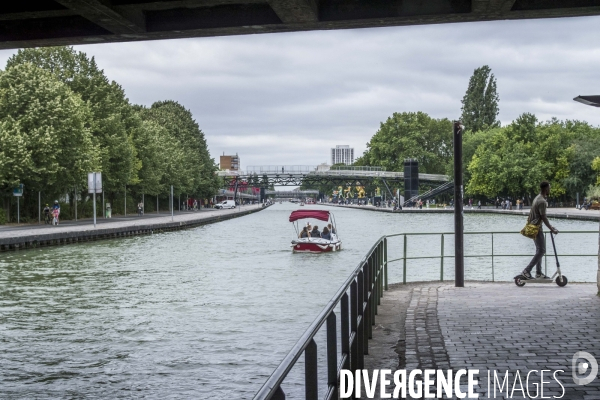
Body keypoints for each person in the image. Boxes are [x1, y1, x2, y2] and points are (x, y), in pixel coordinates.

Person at [521, 181, 559, 279]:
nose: (550, 189)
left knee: (539, 250)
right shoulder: (542, 201)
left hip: (533, 227)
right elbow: (543, 217)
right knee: (541, 250)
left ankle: (538, 273)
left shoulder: (536, 198)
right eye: (549, 188)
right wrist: (552, 228)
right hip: (536, 228)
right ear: (546, 189)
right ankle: (527, 270)